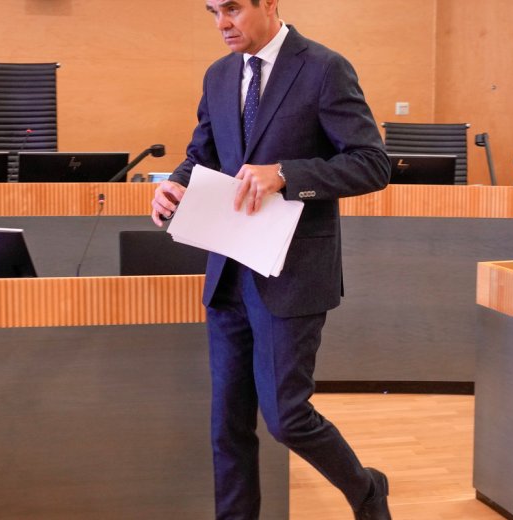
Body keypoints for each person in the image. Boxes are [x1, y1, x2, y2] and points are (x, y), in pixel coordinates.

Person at [150, 1, 392, 518]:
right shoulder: (218, 75)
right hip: (227, 273)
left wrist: (285, 174)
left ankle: (367, 490)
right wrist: (175, 183)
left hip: (292, 274)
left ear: (270, 4)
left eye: (233, 8)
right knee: (228, 426)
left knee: (287, 418)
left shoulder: (324, 68)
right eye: (213, 11)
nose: (222, 23)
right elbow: (203, 155)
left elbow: (372, 164)